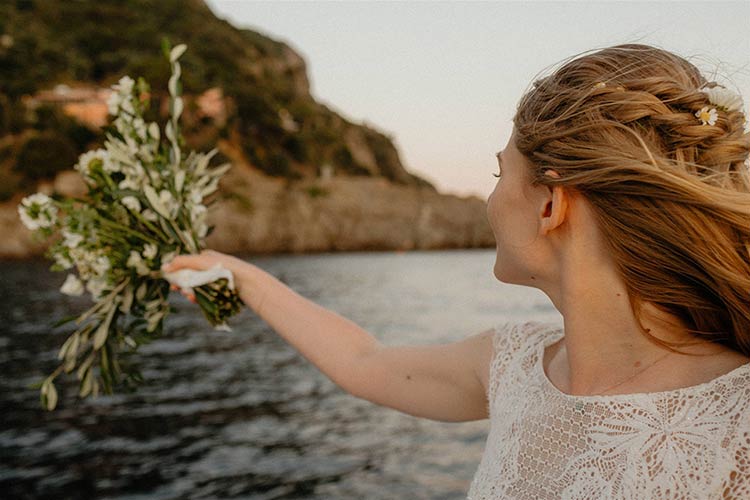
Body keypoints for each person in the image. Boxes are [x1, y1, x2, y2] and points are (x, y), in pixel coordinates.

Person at [161, 43, 750, 498]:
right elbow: (363, 362)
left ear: (550, 205)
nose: (488, 201)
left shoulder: (737, 426)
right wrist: (239, 275)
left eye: (499, 176)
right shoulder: (515, 365)